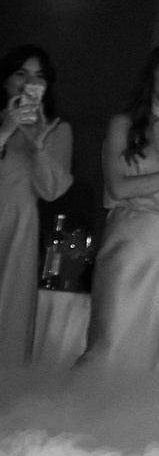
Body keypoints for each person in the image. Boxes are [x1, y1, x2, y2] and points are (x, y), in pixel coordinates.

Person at [85, 43, 159, 370]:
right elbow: (118, 187)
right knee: (111, 334)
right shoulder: (123, 124)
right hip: (130, 236)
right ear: (151, 75)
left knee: (155, 341)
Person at [0, 43, 74, 367]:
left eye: (39, 76)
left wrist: (37, 147)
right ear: (6, 80)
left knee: (9, 315)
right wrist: (6, 131)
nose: (30, 83)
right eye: (21, 73)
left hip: (19, 228)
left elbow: (52, 190)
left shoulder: (57, 129)